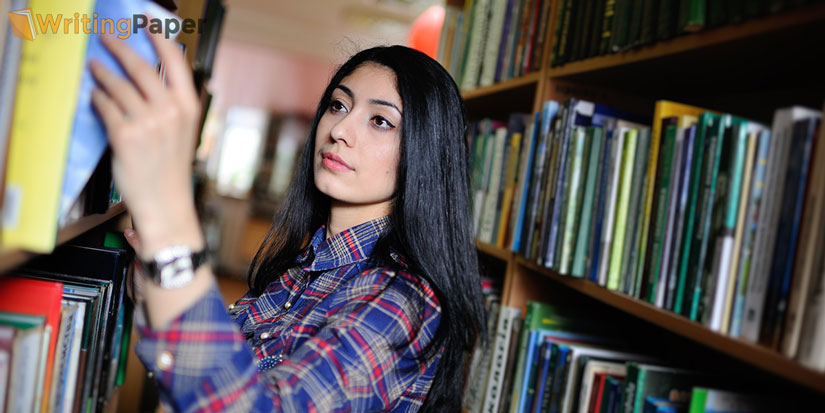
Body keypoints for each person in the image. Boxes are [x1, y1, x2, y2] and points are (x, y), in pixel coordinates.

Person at [91, 31, 485, 411]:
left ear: (425, 154)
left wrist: (173, 228)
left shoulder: (402, 302)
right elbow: (221, 370)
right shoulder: (304, 265)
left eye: (380, 121)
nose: (339, 130)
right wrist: (152, 290)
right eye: (338, 105)